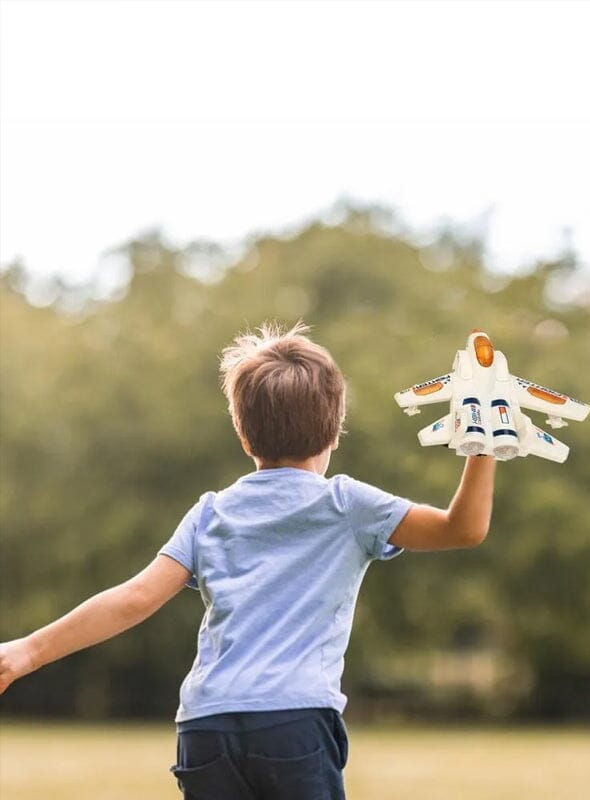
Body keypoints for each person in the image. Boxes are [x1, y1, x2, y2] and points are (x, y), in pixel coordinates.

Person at [0, 321, 496, 799]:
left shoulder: (210, 512)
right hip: (294, 723)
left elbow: (133, 598)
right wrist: (482, 441)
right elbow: (463, 529)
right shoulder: (346, 504)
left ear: (243, 435)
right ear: (334, 433)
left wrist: (27, 651)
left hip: (206, 726)